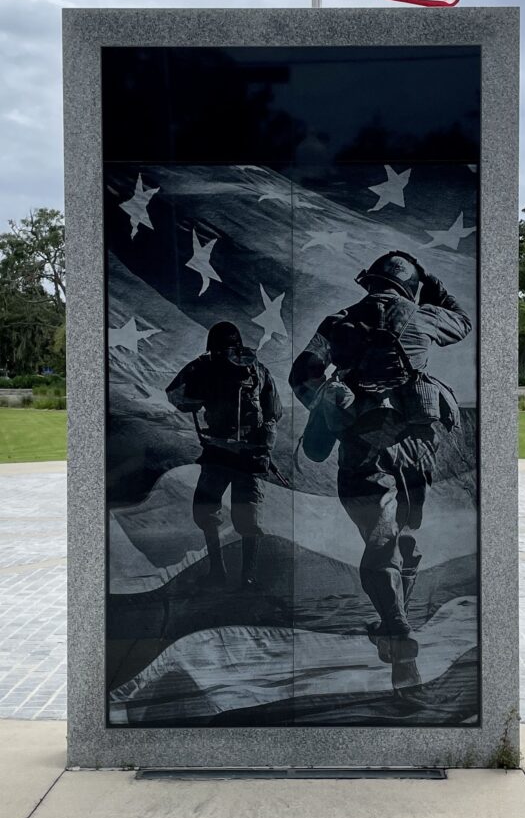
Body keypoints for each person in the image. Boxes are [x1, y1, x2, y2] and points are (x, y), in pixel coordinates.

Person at [289, 251, 471, 686]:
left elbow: (302, 376)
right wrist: (433, 282)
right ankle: (397, 632)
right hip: (416, 444)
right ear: (411, 284)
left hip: (363, 443)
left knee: (379, 540)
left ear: (370, 283)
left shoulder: (338, 322)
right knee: (403, 535)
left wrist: (331, 406)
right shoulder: (425, 315)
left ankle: (397, 630)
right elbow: (462, 320)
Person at [166, 321, 282, 589]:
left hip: (224, 452)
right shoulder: (256, 369)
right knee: (239, 515)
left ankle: (225, 572)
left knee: (216, 514)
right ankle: (242, 575)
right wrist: (265, 444)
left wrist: (198, 395)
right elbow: (274, 413)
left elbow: (176, 396)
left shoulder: (205, 367)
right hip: (240, 454)